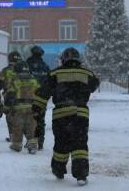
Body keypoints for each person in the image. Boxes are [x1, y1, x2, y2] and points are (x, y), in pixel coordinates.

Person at [34, 47, 99, 186]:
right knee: (80, 144)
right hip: (81, 115)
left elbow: (42, 94)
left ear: (63, 59)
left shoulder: (54, 73)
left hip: (61, 115)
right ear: (78, 59)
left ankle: (58, 169)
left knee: (61, 143)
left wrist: (37, 110)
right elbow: (94, 85)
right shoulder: (87, 73)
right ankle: (81, 175)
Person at [7, 61, 39, 154]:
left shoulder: (15, 79)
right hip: (32, 106)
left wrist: (6, 107)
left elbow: (10, 94)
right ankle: (32, 144)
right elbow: (39, 91)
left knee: (18, 126)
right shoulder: (34, 79)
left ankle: (17, 145)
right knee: (31, 126)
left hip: (19, 107)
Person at [26, 45, 50, 150]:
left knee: (29, 119)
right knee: (40, 120)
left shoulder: (27, 65)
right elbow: (50, 81)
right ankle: (40, 142)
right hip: (42, 97)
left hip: (29, 96)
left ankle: (31, 141)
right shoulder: (45, 66)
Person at [0, 51, 22, 142]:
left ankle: (12, 135)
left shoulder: (5, 70)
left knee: (9, 115)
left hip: (8, 95)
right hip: (21, 95)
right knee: (19, 115)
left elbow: (0, 83)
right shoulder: (23, 69)